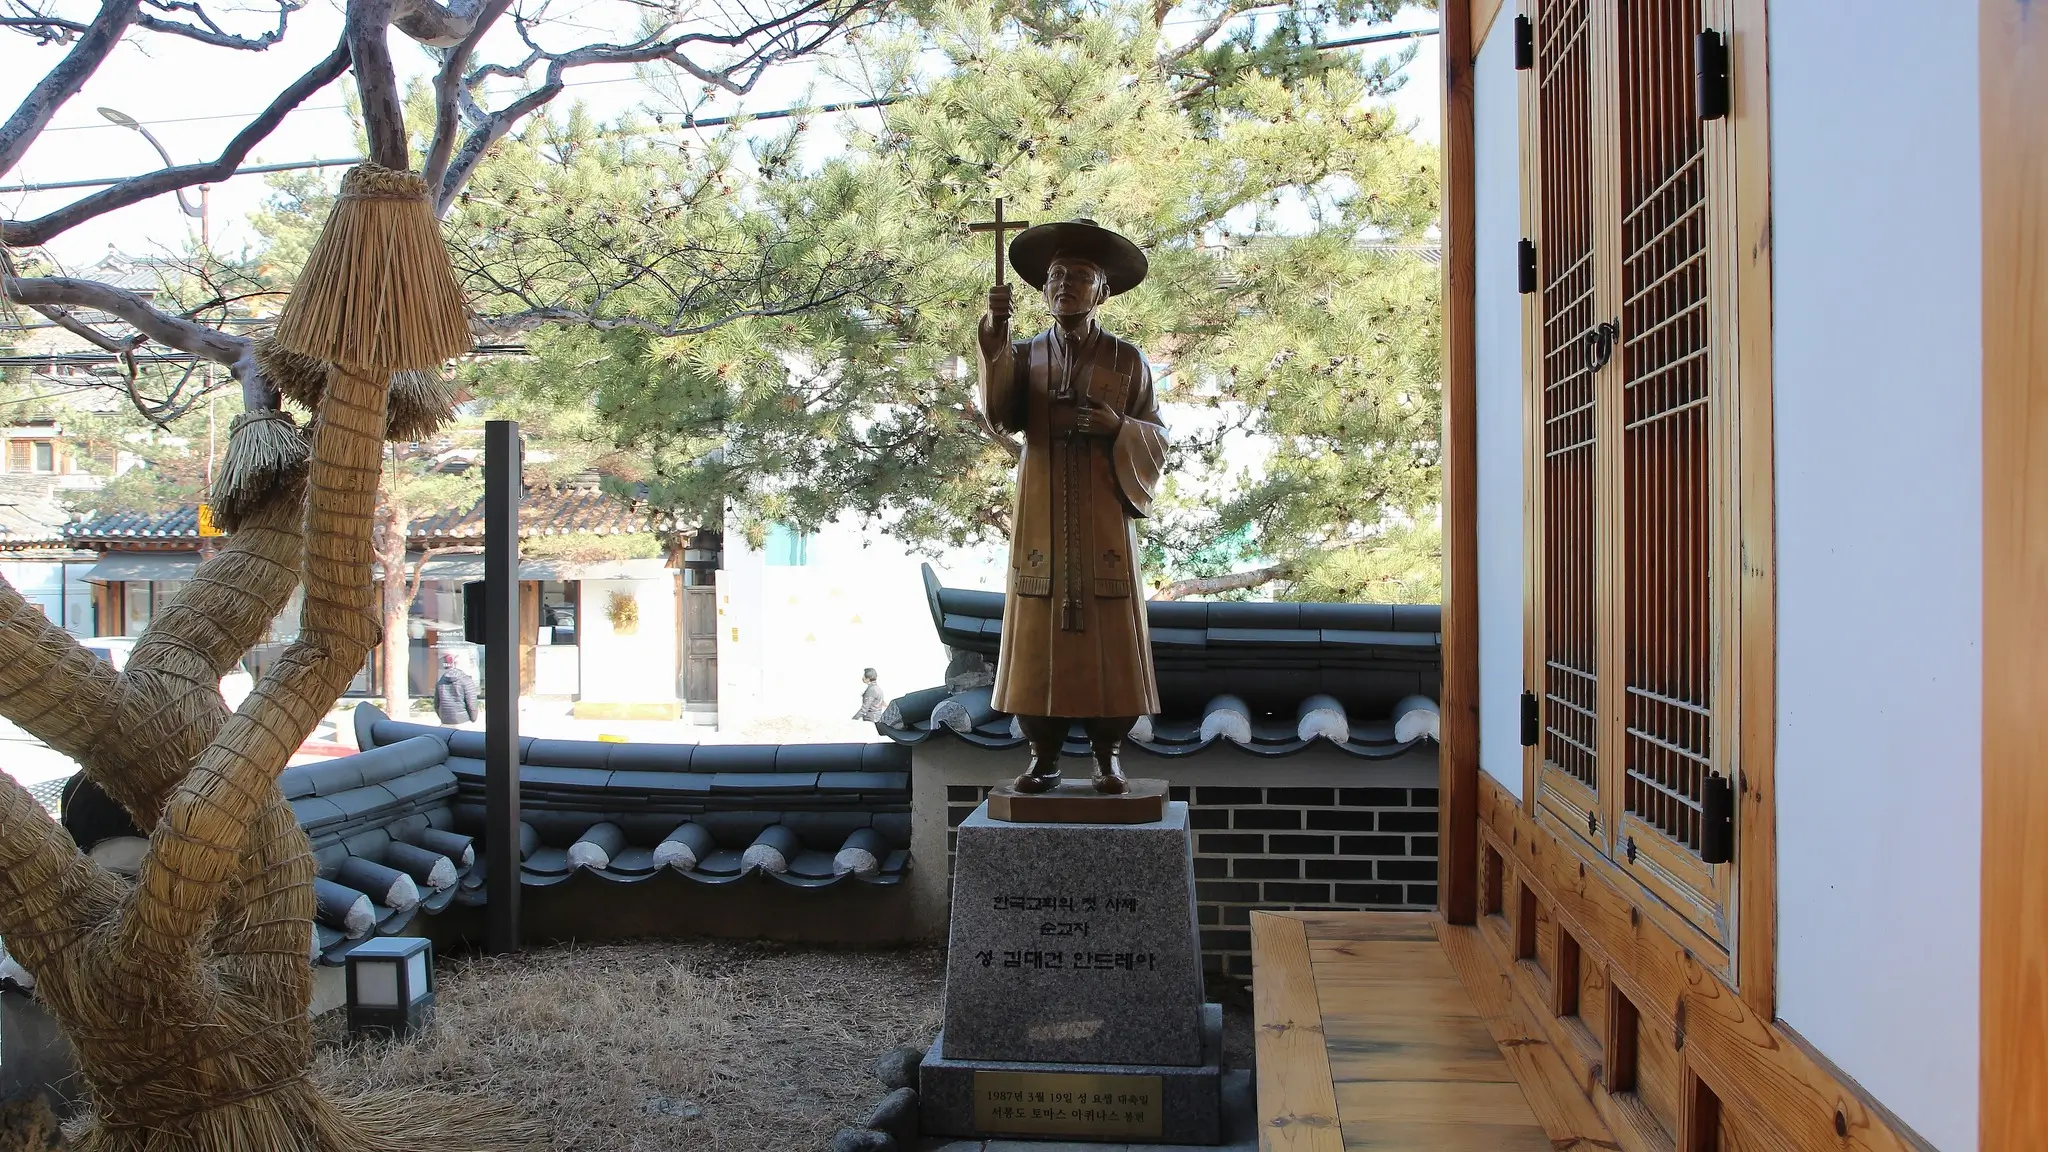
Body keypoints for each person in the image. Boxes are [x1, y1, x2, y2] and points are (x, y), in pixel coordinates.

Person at [974, 218, 1168, 795]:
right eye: (1056, 276)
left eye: (1080, 277)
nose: (1065, 286)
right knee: (1038, 632)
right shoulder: (1027, 355)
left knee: (1111, 633)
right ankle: (1044, 757)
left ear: (1102, 290)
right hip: (1041, 513)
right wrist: (994, 338)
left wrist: (1119, 427)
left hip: (1104, 517)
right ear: (1042, 289)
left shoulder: (1127, 360)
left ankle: (1109, 758)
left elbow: (1158, 436)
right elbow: (1002, 414)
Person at [434, 653, 480, 727]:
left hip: (445, 721)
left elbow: (436, 703)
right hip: (463, 721)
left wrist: (442, 717)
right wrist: (473, 719)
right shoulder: (466, 680)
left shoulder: (441, 680)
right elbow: (472, 704)